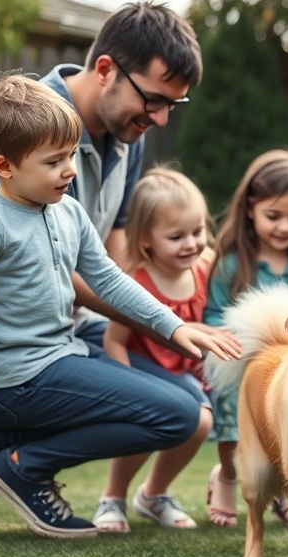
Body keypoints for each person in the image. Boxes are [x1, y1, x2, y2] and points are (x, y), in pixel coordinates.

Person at [0, 1, 206, 537]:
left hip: (58, 338)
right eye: (153, 99)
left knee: (188, 403)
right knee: (171, 412)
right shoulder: (23, 131)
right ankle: (21, 466)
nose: (68, 171)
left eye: (71, 156)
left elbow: (108, 270)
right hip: (0, 363)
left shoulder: (86, 176)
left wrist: (172, 323)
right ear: (106, 71)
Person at [92, 167, 235, 532]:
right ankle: (113, 496)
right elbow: (114, 340)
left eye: (197, 231)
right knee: (149, 421)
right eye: (176, 236)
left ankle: (153, 494)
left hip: (184, 374)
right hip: (142, 368)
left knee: (200, 424)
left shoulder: (204, 267)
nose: (191, 243)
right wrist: (127, 386)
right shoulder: (136, 283)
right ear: (146, 241)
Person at [203, 149, 288, 528]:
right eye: (273, 216)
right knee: (234, 418)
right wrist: (234, 341)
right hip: (243, 362)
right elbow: (214, 314)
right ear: (250, 209)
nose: (284, 226)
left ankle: (285, 487)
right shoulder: (232, 263)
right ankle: (227, 478)